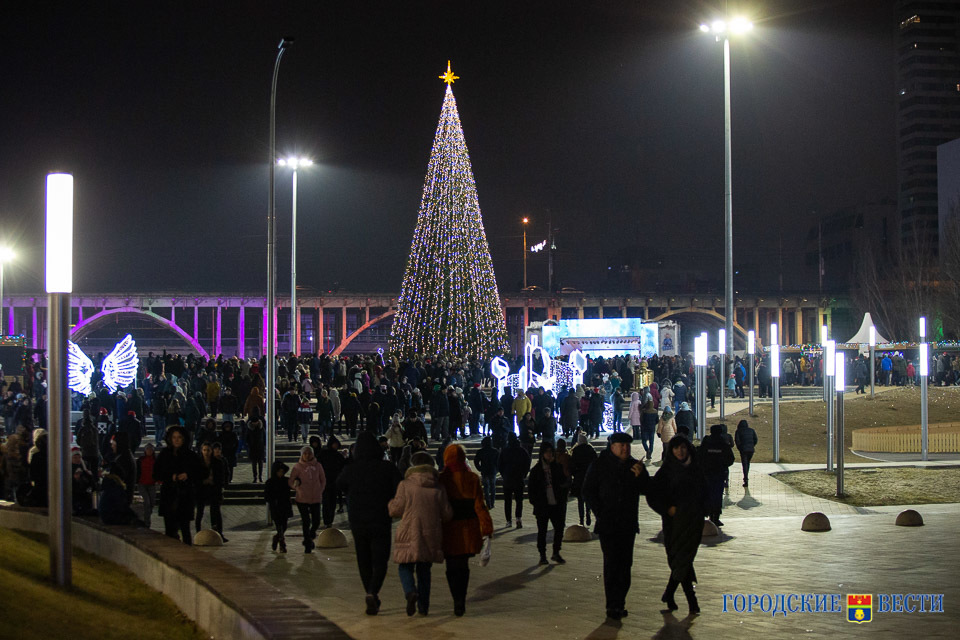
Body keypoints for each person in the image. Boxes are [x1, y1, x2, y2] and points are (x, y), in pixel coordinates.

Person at [581, 432, 649, 620]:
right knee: (612, 564)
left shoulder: (634, 465)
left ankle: (620, 602)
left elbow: (648, 489)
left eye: (627, 445)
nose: (625, 449)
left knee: (625, 565)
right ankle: (612, 605)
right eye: (621, 445)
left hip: (627, 524)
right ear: (612, 447)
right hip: (608, 524)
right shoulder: (600, 465)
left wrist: (641, 476)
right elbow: (588, 491)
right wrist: (600, 512)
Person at [337, 431, 403, 615]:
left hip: (357, 520)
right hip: (380, 518)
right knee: (380, 559)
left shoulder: (352, 468)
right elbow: (400, 486)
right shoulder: (386, 467)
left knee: (363, 558)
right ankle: (373, 591)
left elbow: (339, 484)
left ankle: (369, 591)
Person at [388, 450, 454, 617]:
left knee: (405, 566)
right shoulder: (438, 486)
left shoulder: (405, 485)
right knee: (425, 571)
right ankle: (423, 607)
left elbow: (396, 509)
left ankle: (410, 591)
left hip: (409, 531)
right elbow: (447, 514)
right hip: (430, 533)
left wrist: (390, 504)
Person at [647, 436, 706, 615]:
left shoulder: (695, 469)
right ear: (671, 451)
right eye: (676, 448)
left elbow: (705, 491)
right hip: (674, 523)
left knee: (684, 559)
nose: (680, 451)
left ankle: (681, 597)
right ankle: (682, 598)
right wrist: (667, 509)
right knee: (679, 559)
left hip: (693, 522)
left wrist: (704, 509)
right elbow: (653, 495)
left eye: (682, 447)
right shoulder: (666, 472)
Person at [438, 444, 493, 617]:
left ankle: (456, 598)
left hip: (448, 528)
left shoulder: (442, 479)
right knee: (463, 566)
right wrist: (487, 527)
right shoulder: (472, 478)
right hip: (468, 528)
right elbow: (480, 506)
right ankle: (461, 598)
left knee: (451, 566)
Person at [154, 425, 200, 544]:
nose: (176, 440)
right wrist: (170, 476)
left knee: (185, 529)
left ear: (184, 439)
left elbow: (199, 472)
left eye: (179, 437)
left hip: (185, 496)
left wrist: (187, 475)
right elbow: (156, 473)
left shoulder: (190, 455)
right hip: (169, 495)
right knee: (169, 529)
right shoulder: (165, 454)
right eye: (174, 437)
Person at [528, 440, 569, 565]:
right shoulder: (536, 470)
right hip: (543, 506)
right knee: (542, 531)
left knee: (559, 528)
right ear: (542, 454)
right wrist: (536, 503)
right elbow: (532, 490)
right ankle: (542, 554)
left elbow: (563, 480)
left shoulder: (557, 466)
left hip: (557, 504)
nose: (550, 454)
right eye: (547, 452)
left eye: (551, 452)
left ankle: (556, 552)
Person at [289, 445, 326, 553]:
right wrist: (296, 486)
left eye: (309, 453)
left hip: (315, 497)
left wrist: (320, 490)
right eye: (305, 453)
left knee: (316, 521)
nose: (307, 455)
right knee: (306, 521)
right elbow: (291, 481)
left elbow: (323, 479)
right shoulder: (297, 467)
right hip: (302, 497)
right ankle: (307, 542)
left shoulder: (318, 466)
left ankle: (311, 534)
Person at [699, 425, 734, 526]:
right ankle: (716, 516)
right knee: (718, 495)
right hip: (719, 473)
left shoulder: (706, 442)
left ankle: (708, 513)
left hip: (707, 473)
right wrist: (723, 465)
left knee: (707, 494)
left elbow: (700, 456)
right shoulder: (723, 443)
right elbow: (730, 459)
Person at [498, 433, 531, 528]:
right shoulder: (522, 450)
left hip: (508, 478)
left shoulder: (505, 451)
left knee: (507, 501)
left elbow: (499, 464)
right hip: (519, 478)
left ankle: (508, 521)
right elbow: (527, 463)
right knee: (519, 500)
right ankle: (518, 518)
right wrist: (524, 474)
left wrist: (504, 474)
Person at [195, 442, 227, 541]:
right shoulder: (198, 463)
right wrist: (203, 481)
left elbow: (222, 476)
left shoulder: (217, 462)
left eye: (208, 450)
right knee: (200, 511)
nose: (206, 452)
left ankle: (218, 533)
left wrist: (216, 483)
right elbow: (195, 477)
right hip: (201, 490)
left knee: (216, 512)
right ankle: (198, 532)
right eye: (204, 450)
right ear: (201, 451)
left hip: (214, 489)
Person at [569, 433, 598, 527]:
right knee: (588, 498)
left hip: (579, 478)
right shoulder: (591, 450)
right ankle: (588, 513)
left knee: (580, 500)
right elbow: (595, 463)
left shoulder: (576, 451)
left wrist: (574, 473)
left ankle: (581, 519)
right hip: (589, 477)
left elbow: (572, 465)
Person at [318, 435, 346, 528]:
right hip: (325, 482)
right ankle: (327, 520)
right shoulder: (323, 454)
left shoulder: (338, 456)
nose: (336, 446)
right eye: (334, 444)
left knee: (333, 502)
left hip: (335, 482)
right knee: (326, 502)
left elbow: (343, 467)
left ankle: (330, 520)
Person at [264, 461, 293, 553]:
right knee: (279, 526)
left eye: (282, 471)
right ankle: (282, 544)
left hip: (285, 506)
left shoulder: (286, 481)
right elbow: (267, 496)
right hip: (275, 507)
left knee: (284, 526)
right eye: (279, 471)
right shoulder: (270, 482)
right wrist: (273, 501)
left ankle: (277, 538)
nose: (281, 473)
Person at [473, 436, 500, 509]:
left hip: (485, 471)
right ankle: (492, 502)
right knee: (493, 487)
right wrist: (497, 469)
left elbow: (476, 461)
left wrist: (480, 468)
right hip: (492, 471)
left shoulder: (480, 451)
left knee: (486, 487)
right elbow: (499, 462)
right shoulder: (495, 451)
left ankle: (488, 503)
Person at [136, 443, 158, 528]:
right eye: (148, 449)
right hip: (142, 483)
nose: (149, 451)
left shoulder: (155, 461)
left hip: (151, 484)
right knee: (147, 502)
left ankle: (147, 517)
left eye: (151, 450)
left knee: (152, 503)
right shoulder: (141, 460)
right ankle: (146, 522)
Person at [734, 419, 758, 487]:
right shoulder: (751, 430)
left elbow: (737, 441)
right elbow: (755, 439)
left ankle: (746, 478)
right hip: (751, 450)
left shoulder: (738, 431)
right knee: (747, 463)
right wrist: (752, 445)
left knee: (744, 464)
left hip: (743, 450)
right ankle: (746, 476)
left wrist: (740, 448)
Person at [247, 409, 266, 482]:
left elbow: (264, 437)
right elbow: (247, 438)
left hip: (260, 447)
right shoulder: (249, 429)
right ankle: (255, 477)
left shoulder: (261, 428)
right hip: (252, 448)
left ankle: (260, 477)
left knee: (260, 463)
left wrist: (264, 444)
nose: (255, 423)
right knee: (254, 464)